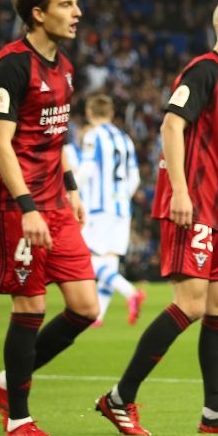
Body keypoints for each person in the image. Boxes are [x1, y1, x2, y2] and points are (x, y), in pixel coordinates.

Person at [96, 0, 218, 436]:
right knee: (190, 303)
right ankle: (119, 397)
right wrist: (180, 190)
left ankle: (214, 413)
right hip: (193, 206)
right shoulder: (204, 71)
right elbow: (170, 125)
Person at [0, 0, 98, 436]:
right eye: (66, 5)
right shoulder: (10, 65)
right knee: (30, 304)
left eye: (75, 4)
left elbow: (56, 133)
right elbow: (0, 144)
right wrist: (27, 205)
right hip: (14, 205)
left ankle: (4, 385)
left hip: (54, 202)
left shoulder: (64, 68)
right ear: (37, 13)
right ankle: (19, 422)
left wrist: (69, 186)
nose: (77, 13)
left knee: (85, 307)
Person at [74, 94, 146, 327]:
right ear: (111, 114)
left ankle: (130, 292)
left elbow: (86, 169)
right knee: (110, 260)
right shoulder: (125, 139)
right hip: (122, 208)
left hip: (98, 208)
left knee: (89, 258)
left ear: (89, 114)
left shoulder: (93, 136)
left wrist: (69, 191)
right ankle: (98, 315)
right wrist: (122, 197)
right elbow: (134, 177)